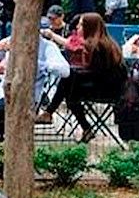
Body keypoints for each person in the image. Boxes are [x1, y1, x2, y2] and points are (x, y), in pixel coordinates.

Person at [37, 13, 126, 141]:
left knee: (69, 86)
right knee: (69, 82)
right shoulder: (108, 43)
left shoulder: (95, 47)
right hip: (111, 89)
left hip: (104, 91)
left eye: (81, 24)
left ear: (89, 27)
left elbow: (96, 74)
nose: (77, 27)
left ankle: (52, 114)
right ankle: (52, 114)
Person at [0, 31, 70, 138]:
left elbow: (64, 71)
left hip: (26, 96)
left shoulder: (47, 46)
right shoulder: (12, 39)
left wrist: (35, 63)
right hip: (2, 91)